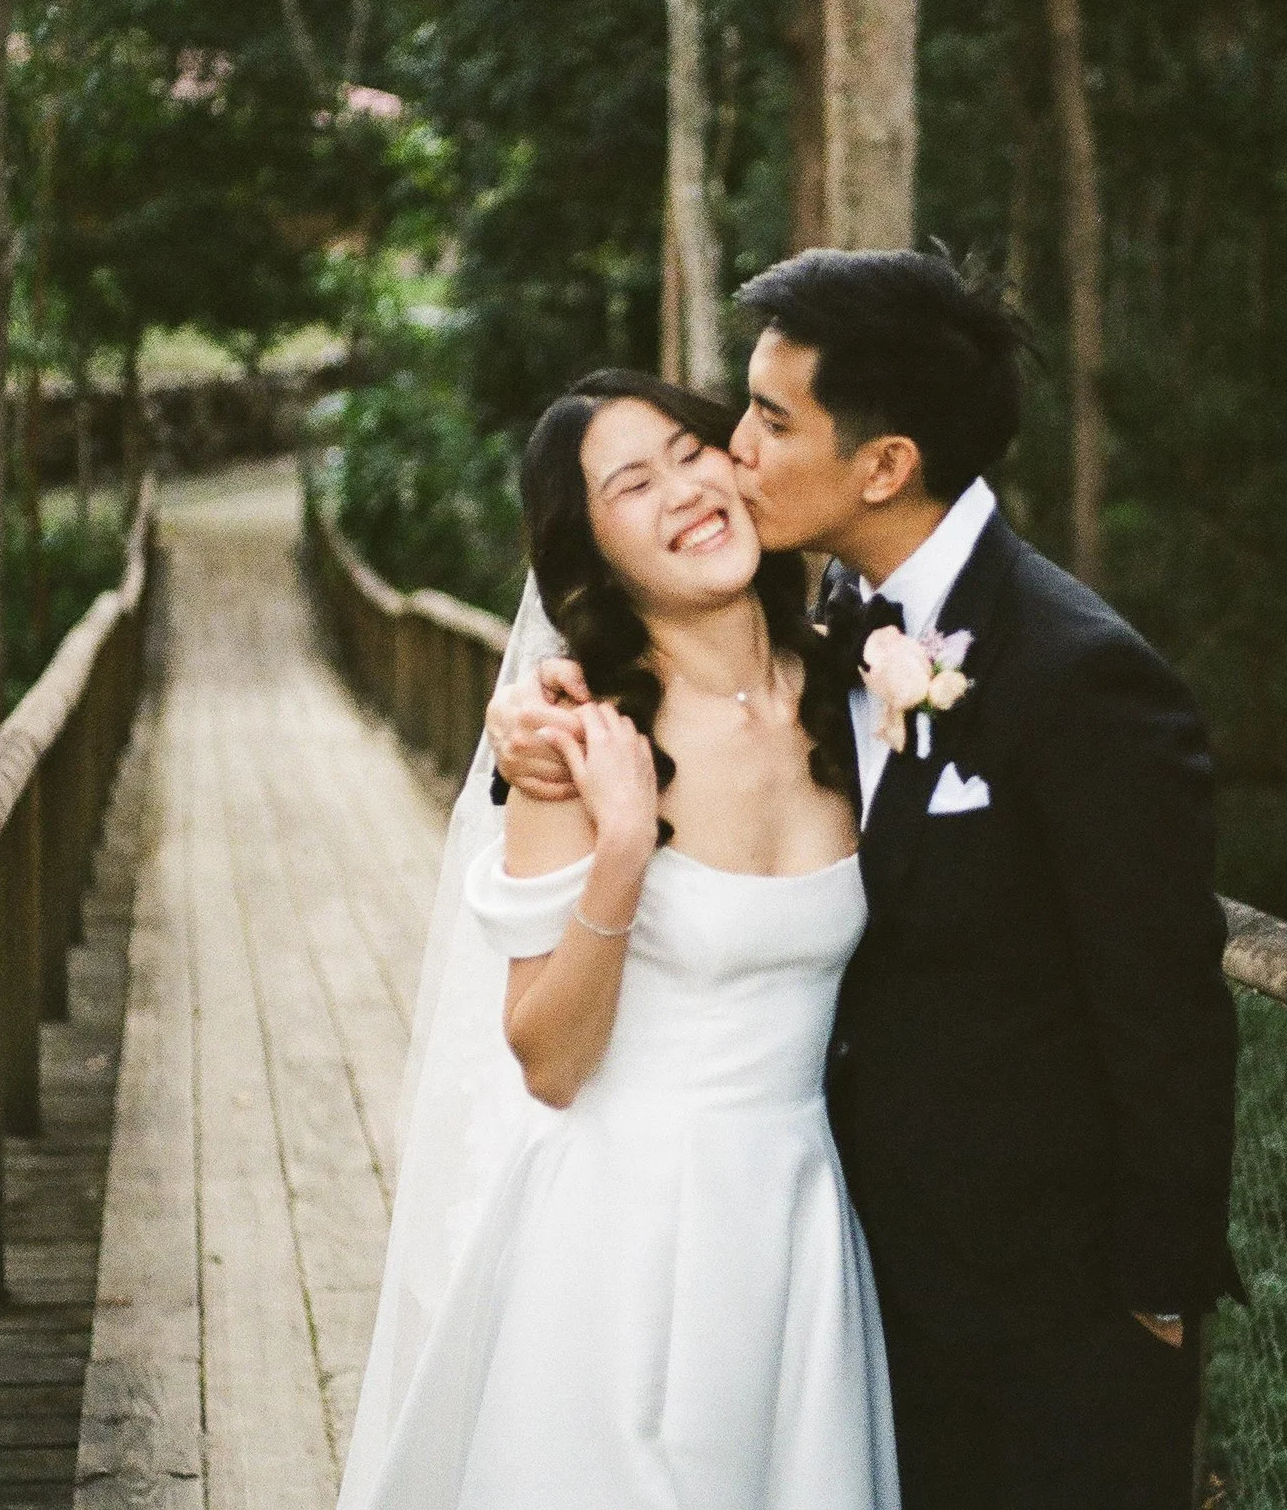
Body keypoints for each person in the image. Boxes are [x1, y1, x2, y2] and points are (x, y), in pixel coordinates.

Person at [489, 248, 1244, 1510]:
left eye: (769, 420)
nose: (731, 449)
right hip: (852, 1271)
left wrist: (1153, 1300)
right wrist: (540, 740)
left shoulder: (1081, 675)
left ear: (883, 465)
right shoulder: (826, 628)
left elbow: (1166, 1006)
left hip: (1050, 1312)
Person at [333, 370, 899, 1510]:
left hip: (796, 1215)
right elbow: (545, 1055)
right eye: (633, 485)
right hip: (622, 1234)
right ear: (589, 559)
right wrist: (625, 851)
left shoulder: (853, 683)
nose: (686, 490)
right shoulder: (576, 736)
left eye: (692, 451)